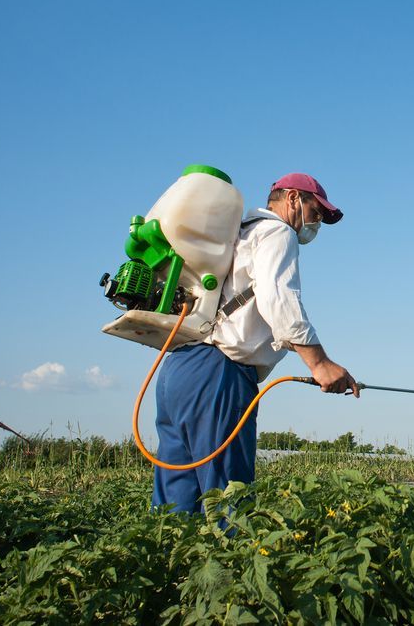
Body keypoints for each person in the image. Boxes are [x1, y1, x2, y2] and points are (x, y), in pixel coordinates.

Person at [151, 172, 359, 513]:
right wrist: (320, 365)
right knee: (229, 504)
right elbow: (279, 299)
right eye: (316, 211)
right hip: (219, 374)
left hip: (179, 368)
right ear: (292, 198)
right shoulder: (277, 232)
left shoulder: (239, 234)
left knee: (174, 507)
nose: (318, 222)